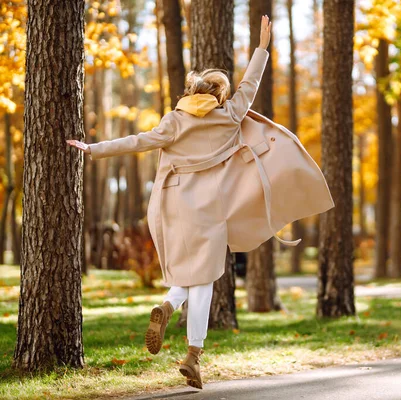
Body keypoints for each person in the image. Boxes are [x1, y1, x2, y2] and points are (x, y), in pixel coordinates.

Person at [68, 16, 273, 389]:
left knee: (186, 276)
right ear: (220, 95)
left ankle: (167, 307)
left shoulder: (175, 120)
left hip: (173, 205)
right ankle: (193, 355)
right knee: (206, 279)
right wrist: (261, 47)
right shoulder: (229, 116)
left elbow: (138, 141)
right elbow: (251, 85)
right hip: (209, 208)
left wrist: (94, 148)